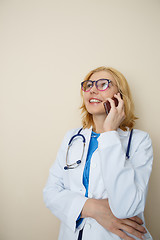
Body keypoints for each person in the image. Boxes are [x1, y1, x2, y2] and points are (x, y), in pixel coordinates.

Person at [43, 66, 153, 240]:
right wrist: (93, 209)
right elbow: (50, 192)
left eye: (103, 84)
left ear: (120, 95)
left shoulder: (139, 141)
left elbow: (127, 208)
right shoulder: (72, 137)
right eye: (88, 85)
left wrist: (110, 132)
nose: (92, 89)